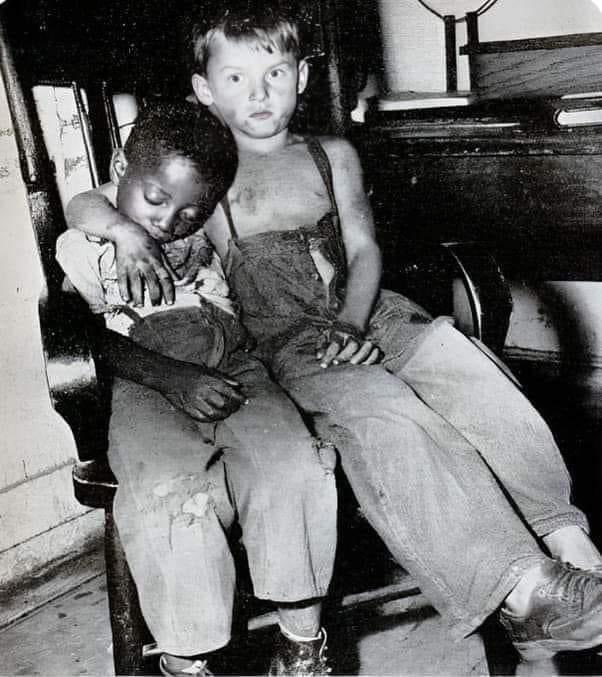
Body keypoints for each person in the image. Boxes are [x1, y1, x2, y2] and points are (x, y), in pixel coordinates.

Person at [65, 3, 602, 666]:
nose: (258, 95)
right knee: (386, 411)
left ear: (305, 76)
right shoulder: (205, 175)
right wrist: (123, 230)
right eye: (235, 79)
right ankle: (522, 587)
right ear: (204, 90)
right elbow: (94, 201)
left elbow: (365, 248)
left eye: (276, 73)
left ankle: (571, 544)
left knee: (470, 372)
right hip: (290, 336)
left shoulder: (333, 153)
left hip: (369, 307)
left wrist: (353, 317)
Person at [57, 100, 337, 677]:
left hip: (235, 365)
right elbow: (86, 329)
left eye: (191, 211)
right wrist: (122, 229)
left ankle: (302, 645)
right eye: (155, 201)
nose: (168, 221)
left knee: (294, 463)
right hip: (143, 379)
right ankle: (187, 658)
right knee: (172, 490)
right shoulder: (90, 242)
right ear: (119, 168)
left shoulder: (205, 226)